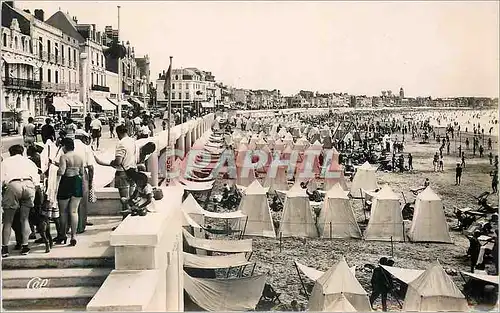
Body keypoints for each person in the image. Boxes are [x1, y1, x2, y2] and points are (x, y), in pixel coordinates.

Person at [95, 125, 137, 229]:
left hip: (122, 173)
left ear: (118, 133)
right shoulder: (132, 141)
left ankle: (124, 224)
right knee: (131, 199)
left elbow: (118, 161)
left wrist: (108, 163)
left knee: (124, 200)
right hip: (132, 171)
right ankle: (131, 222)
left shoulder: (121, 143)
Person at [2, 144, 40, 257]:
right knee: (24, 219)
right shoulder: (29, 162)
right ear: (22, 152)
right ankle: (25, 246)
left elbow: (2, 180)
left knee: (8, 220)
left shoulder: (6, 162)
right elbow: (36, 181)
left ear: (10, 153)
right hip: (28, 185)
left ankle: (4, 248)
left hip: (13, 185)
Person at [55, 138, 84, 246]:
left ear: (64, 147)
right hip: (77, 182)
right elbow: (81, 172)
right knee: (74, 211)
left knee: (63, 212)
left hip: (66, 182)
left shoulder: (64, 157)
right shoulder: (79, 157)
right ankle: (74, 235)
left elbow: (62, 171)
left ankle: (63, 235)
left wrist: (55, 169)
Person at [74, 131, 95, 233]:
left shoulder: (67, 146)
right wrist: (90, 182)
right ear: (83, 138)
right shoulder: (86, 148)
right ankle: (80, 226)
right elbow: (91, 167)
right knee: (82, 202)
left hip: (68, 173)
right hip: (82, 174)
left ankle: (71, 226)